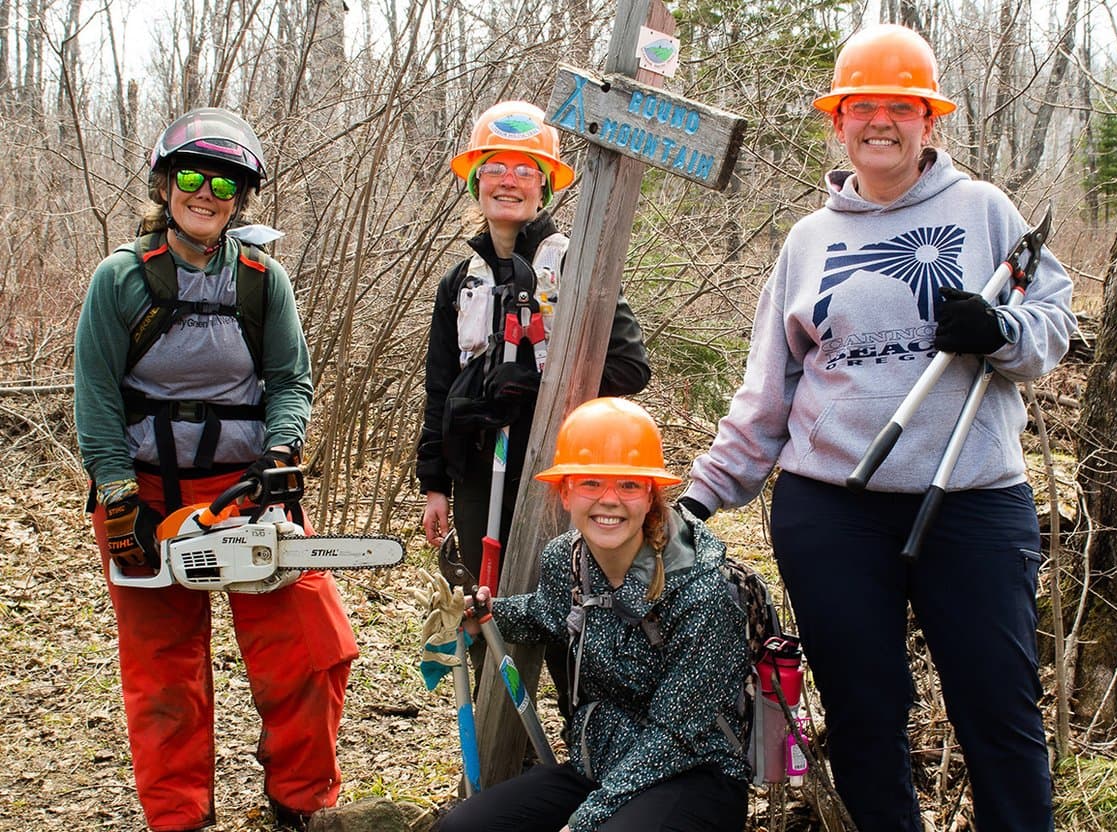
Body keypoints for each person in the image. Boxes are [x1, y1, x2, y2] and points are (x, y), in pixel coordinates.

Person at [678, 24, 1076, 832]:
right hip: (833, 509)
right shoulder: (808, 240)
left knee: (999, 714)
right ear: (838, 120)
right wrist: (695, 500)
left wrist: (1000, 332)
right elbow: (767, 395)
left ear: (930, 120)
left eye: (902, 105)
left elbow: (1053, 328)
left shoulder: (986, 212)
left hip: (970, 502)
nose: (881, 121)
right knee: (863, 719)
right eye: (864, 106)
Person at [74, 107, 357, 832]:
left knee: (310, 649)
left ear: (241, 198)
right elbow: (96, 393)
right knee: (162, 673)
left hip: (248, 493)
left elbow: (290, 379)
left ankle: (301, 803)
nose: (208, 193)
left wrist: (280, 454)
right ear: (166, 185)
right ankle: (177, 818)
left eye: (225, 183)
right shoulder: (121, 280)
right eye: (193, 176)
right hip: (146, 492)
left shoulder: (264, 279)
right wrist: (115, 493)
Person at [416, 101, 650, 700]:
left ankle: (592, 745)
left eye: (525, 168)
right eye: (495, 166)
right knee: (487, 614)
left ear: (545, 183)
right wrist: (435, 483)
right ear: (474, 179)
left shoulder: (573, 262)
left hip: (556, 472)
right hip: (476, 474)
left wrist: (542, 387)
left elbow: (629, 365)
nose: (509, 180)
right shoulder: (458, 280)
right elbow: (438, 385)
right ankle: (497, 775)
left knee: (569, 619)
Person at [437, 396, 751, 832]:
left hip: (691, 776)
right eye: (591, 483)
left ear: (649, 496)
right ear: (565, 492)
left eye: (627, 485)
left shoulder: (702, 591)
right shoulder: (566, 560)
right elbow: (546, 612)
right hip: (598, 766)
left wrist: (582, 822)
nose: (609, 501)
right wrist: (486, 614)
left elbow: (675, 735)